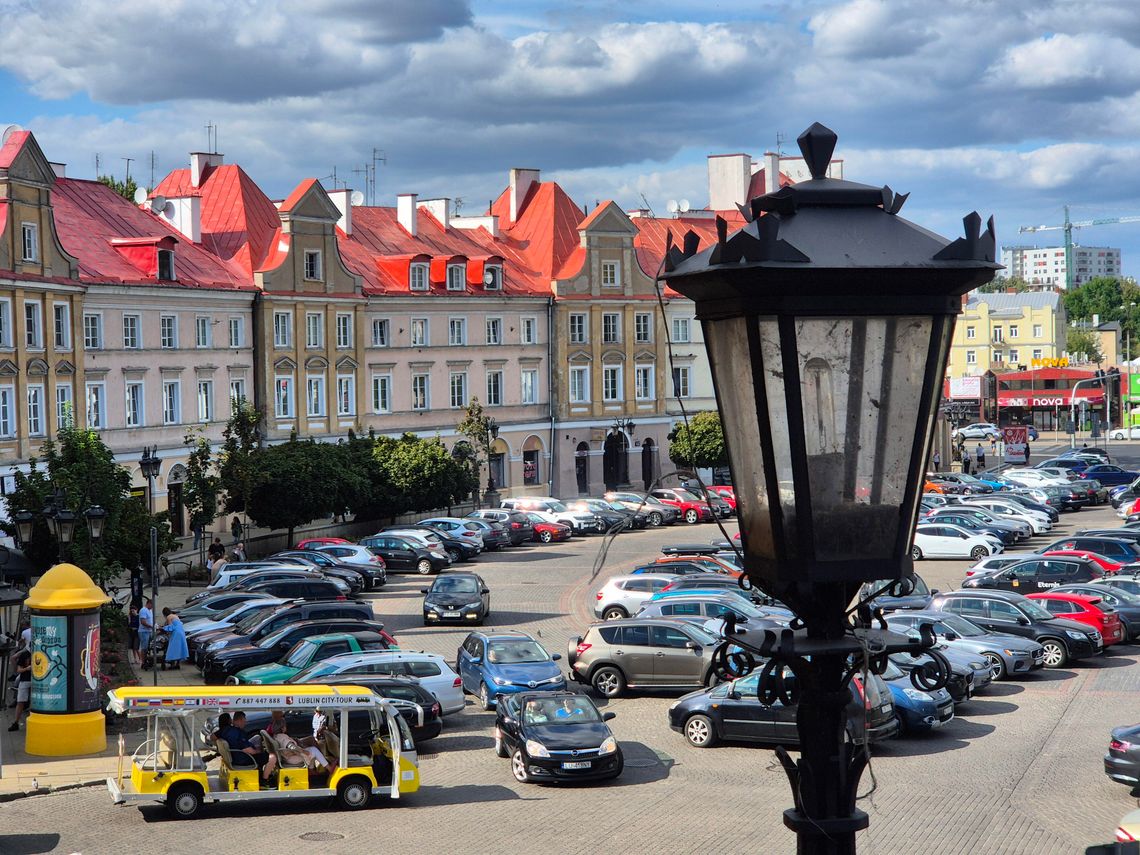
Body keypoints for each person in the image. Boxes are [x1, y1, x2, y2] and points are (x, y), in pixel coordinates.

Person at [219, 711, 276, 782]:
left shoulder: (227, 730)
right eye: (244, 721)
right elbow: (249, 751)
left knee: (257, 741)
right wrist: (259, 751)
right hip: (243, 759)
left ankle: (261, 771)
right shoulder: (238, 733)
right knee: (272, 757)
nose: (245, 723)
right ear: (240, 720)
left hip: (235, 756)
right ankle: (264, 780)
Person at [8, 648, 30, 731]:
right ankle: (16, 722)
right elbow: (19, 670)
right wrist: (27, 669)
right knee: (20, 701)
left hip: (36, 681)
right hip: (25, 680)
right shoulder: (25, 655)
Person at [138, 599, 154, 669]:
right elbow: (143, 622)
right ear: (149, 603)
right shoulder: (143, 610)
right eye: (152, 605)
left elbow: (150, 620)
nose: (152, 607)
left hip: (149, 631)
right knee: (144, 647)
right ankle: (143, 662)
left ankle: (148, 659)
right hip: (144, 631)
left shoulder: (150, 610)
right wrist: (151, 626)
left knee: (149, 647)